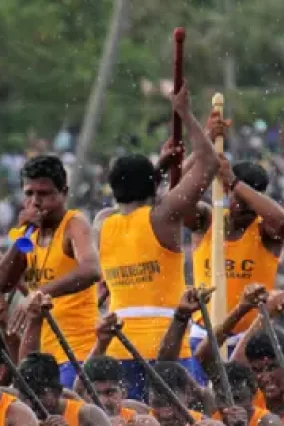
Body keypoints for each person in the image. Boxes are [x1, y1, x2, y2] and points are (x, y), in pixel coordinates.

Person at [95, 81, 219, 398]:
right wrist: (185, 114)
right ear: (152, 187)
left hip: (119, 350)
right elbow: (210, 162)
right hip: (169, 348)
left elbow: (143, 199)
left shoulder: (102, 223)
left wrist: (158, 170)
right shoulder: (163, 216)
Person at [187, 110, 284, 367]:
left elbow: (283, 221)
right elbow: (177, 193)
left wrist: (235, 184)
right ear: (223, 191)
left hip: (249, 340)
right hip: (203, 335)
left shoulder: (267, 232)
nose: (245, 209)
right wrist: (207, 141)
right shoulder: (206, 220)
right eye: (239, 202)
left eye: (251, 203)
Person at [0, 155, 100, 389]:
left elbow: (91, 270)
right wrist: (22, 234)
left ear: (64, 193)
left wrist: (39, 293)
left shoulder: (75, 224)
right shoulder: (27, 235)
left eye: (43, 194)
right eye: (29, 194)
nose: (35, 202)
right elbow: (2, 283)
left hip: (76, 354)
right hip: (39, 357)